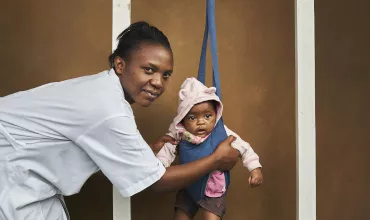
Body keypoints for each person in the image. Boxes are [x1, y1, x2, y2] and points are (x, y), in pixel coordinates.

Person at [0, 21, 240, 220]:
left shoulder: (102, 92)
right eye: (149, 70)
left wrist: (138, 154)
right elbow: (157, 181)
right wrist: (216, 159)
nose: (159, 82)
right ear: (120, 65)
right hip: (10, 178)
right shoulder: (108, 108)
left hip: (25, 179)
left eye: (165, 75)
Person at [156, 77, 264, 220]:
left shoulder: (221, 132)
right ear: (182, 119)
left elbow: (244, 148)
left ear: (216, 115)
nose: (201, 122)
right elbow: (166, 150)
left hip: (212, 188)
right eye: (192, 118)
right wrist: (161, 164)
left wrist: (255, 169)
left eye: (207, 116)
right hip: (188, 184)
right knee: (180, 216)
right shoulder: (179, 134)